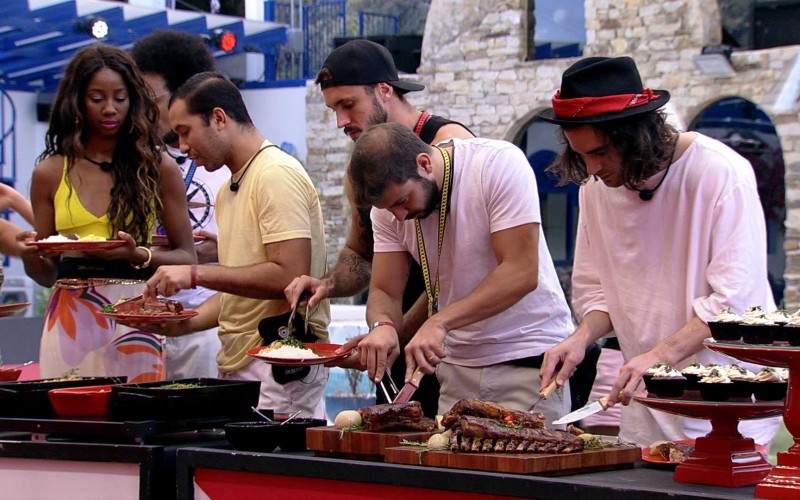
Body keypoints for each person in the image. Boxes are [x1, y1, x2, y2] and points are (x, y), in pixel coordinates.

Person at [538, 56, 781, 446]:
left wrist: (658, 354)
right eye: (580, 155)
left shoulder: (720, 172)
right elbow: (598, 294)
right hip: (647, 403)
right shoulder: (595, 189)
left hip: (724, 401)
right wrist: (580, 338)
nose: (592, 168)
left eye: (599, 152)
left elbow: (733, 303)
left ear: (637, 135)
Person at [284, 39, 473, 417]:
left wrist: (392, 333)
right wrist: (328, 284)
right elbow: (362, 255)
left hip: (449, 344)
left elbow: (456, 277)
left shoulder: (450, 147)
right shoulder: (365, 165)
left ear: (385, 90)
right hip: (399, 338)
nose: (340, 121)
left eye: (347, 104)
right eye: (332, 109)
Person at [345, 122, 574, 425]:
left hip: (527, 363)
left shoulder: (496, 163)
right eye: (388, 209)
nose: (400, 216)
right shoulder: (388, 212)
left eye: (402, 201)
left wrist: (440, 321)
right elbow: (385, 291)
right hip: (455, 370)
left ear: (424, 164)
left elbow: (521, 272)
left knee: (527, 467)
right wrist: (383, 325)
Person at [138, 71, 331, 417]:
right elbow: (237, 297)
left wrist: (196, 273)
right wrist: (181, 325)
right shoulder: (228, 189)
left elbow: (289, 278)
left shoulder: (274, 173)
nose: (181, 146)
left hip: (279, 359)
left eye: (185, 132)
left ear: (218, 118)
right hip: (240, 361)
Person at [19, 44, 196, 382]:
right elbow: (45, 274)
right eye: (97, 98)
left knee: (136, 421)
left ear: (133, 100)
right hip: (70, 314)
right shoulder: (50, 172)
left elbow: (187, 256)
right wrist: (29, 255)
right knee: (72, 422)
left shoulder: (158, 167)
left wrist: (138, 253)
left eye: (120, 97)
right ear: (77, 101)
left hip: (135, 312)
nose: (110, 109)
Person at [132, 30, 226, 379]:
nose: (142, 109)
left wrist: (220, 253)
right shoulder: (137, 160)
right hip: (144, 322)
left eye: (151, 98)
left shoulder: (228, 157)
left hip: (209, 325)